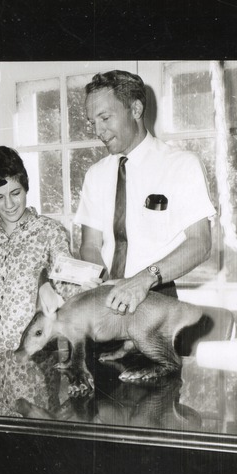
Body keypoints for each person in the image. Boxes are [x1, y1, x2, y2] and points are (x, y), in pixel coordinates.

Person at [75, 70, 215, 316]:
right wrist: (105, 284)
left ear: (136, 110)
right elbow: (90, 244)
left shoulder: (181, 165)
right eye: (91, 122)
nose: (98, 130)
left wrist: (143, 279)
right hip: (105, 300)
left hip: (156, 297)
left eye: (105, 118)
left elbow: (200, 243)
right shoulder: (95, 175)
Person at [0, 146, 77, 416]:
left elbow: (71, 293)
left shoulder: (50, 232)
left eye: (16, 193)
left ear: (26, 186)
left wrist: (51, 284)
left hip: (35, 356)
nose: (9, 204)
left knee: (33, 437)